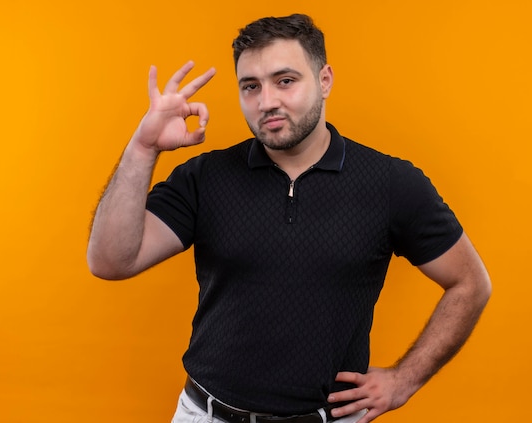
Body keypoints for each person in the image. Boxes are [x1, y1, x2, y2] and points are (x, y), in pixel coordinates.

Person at [87, 13, 491, 423]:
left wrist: (405, 379)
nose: (267, 102)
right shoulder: (205, 177)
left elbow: (470, 283)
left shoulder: (390, 183)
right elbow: (109, 261)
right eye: (251, 86)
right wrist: (142, 149)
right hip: (206, 414)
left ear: (324, 80)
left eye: (285, 80)